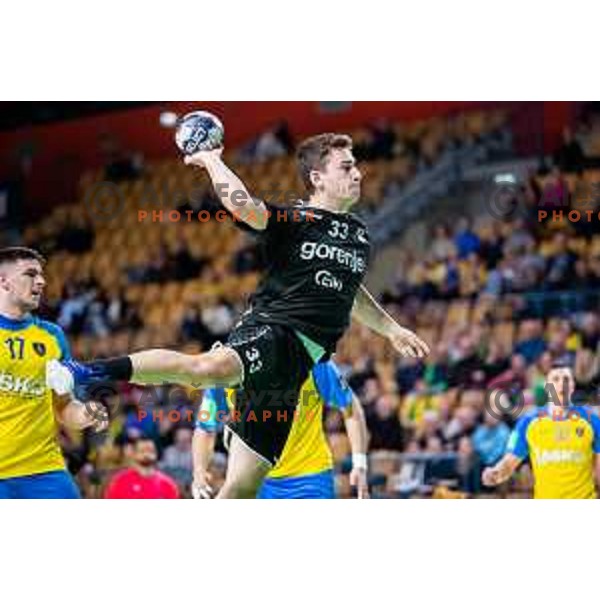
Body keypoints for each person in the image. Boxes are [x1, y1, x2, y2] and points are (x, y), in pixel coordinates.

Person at [47, 133, 429, 498]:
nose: (357, 173)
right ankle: (86, 371)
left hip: (296, 368)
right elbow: (243, 204)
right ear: (318, 178)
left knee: (242, 487)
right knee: (206, 369)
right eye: (346, 167)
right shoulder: (295, 219)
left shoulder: (358, 234)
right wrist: (212, 159)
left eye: (356, 166)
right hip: (274, 330)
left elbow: (351, 293)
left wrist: (391, 329)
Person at [0, 247, 107, 499]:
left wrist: (86, 413)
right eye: (30, 273)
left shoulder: (52, 336)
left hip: (43, 470)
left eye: (41, 275)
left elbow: (64, 407)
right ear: (3, 281)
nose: (42, 281)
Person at [192, 361, 369, 499]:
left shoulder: (315, 362)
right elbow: (206, 428)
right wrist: (199, 470)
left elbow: (350, 408)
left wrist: (359, 462)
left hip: (310, 477)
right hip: (251, 479)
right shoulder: (226, 368)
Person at [482, 362, 600, 499]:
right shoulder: (528, 422)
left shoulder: (591, 420)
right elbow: (509, 463)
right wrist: (495, 473)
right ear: (547, 386)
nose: (562, 384)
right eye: (556, 379)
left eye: (566, 379)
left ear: (573, 385)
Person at [104, 436, 180, 499]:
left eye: (150, 450)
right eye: (142, 451)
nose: (146, 454)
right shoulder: (119, 482)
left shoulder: (168, 485)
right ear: (134, 454)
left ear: (156, 454)